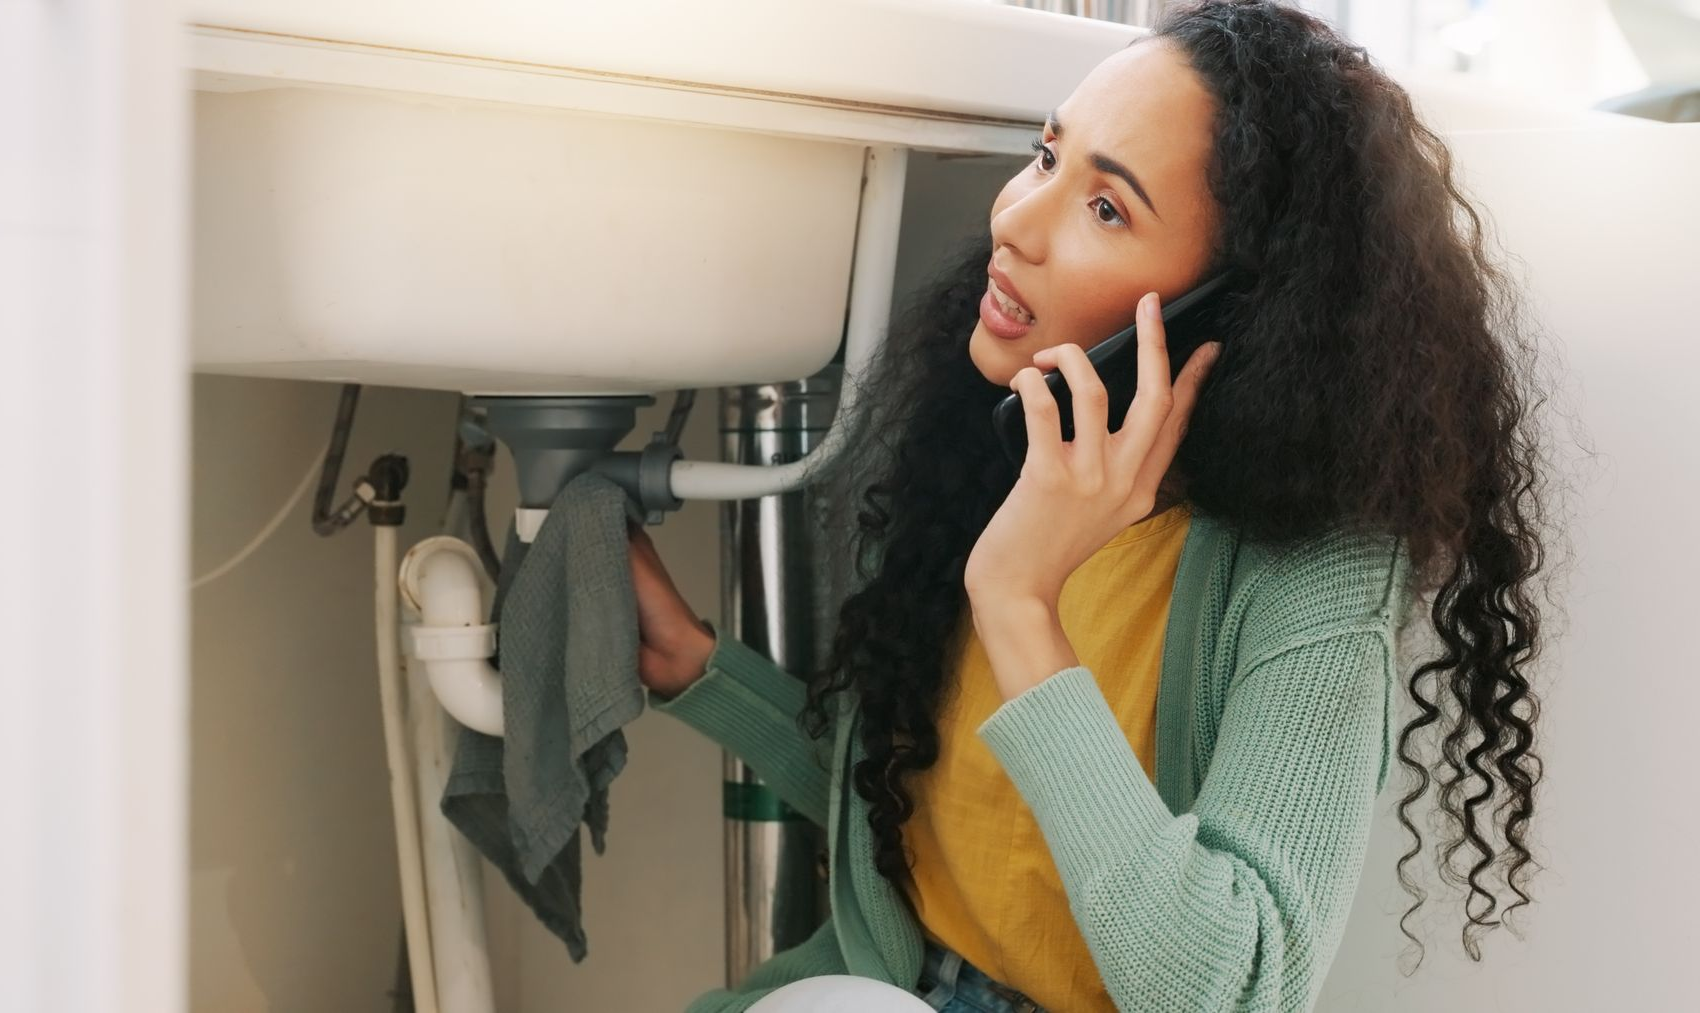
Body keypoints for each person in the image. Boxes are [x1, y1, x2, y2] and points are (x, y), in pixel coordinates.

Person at [627, 2, 1567, 1010]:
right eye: (1045, 157)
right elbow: (943, 808)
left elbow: (1226, 987)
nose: (1013, 221)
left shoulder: (1312, 570)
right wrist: (702, 671)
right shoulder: (997, 440)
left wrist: (1019, 603)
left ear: (1240, 308)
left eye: (1106, 207)